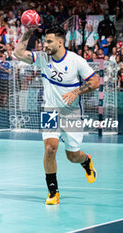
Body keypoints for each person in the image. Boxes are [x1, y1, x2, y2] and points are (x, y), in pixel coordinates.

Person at [14, 25, 99, 205]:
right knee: (50, 148)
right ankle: (53, 192)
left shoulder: (76, 61)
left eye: (50, 41)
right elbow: (18, 52)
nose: (46, 44)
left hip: (72, 113)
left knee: (72, 156)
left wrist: (76, 92)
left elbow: (95, 81)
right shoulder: (43, 58)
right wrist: (28, 32)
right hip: (50, 111)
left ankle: (86, 161)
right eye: (45, 40)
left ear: (60, 42)